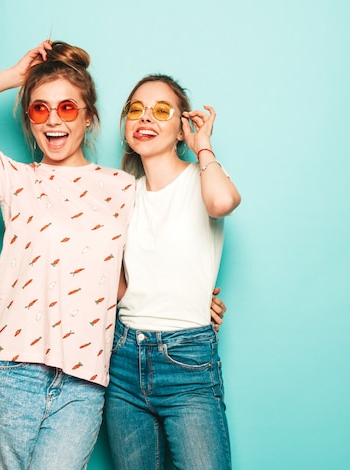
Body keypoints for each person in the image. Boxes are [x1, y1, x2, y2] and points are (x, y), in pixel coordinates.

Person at [0, 40, 136, 469]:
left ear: (88, 116)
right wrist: (15, 77)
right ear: (29, 118)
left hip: (84, 381)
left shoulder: (123, 188)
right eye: (40, 108)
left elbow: (133, 276)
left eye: (67, 107)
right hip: (11, 374)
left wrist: (190, 301)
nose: (53, 120)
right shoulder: (15, 180)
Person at [105, 74, 241, 469]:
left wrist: (204, 146)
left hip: (187, 359)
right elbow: (117, 283)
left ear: (181, 126)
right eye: (136, 110)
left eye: (161, 110)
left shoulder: (203, 178)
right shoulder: (122, 193)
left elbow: (220, 202)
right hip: (123, 356)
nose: (145, 118)